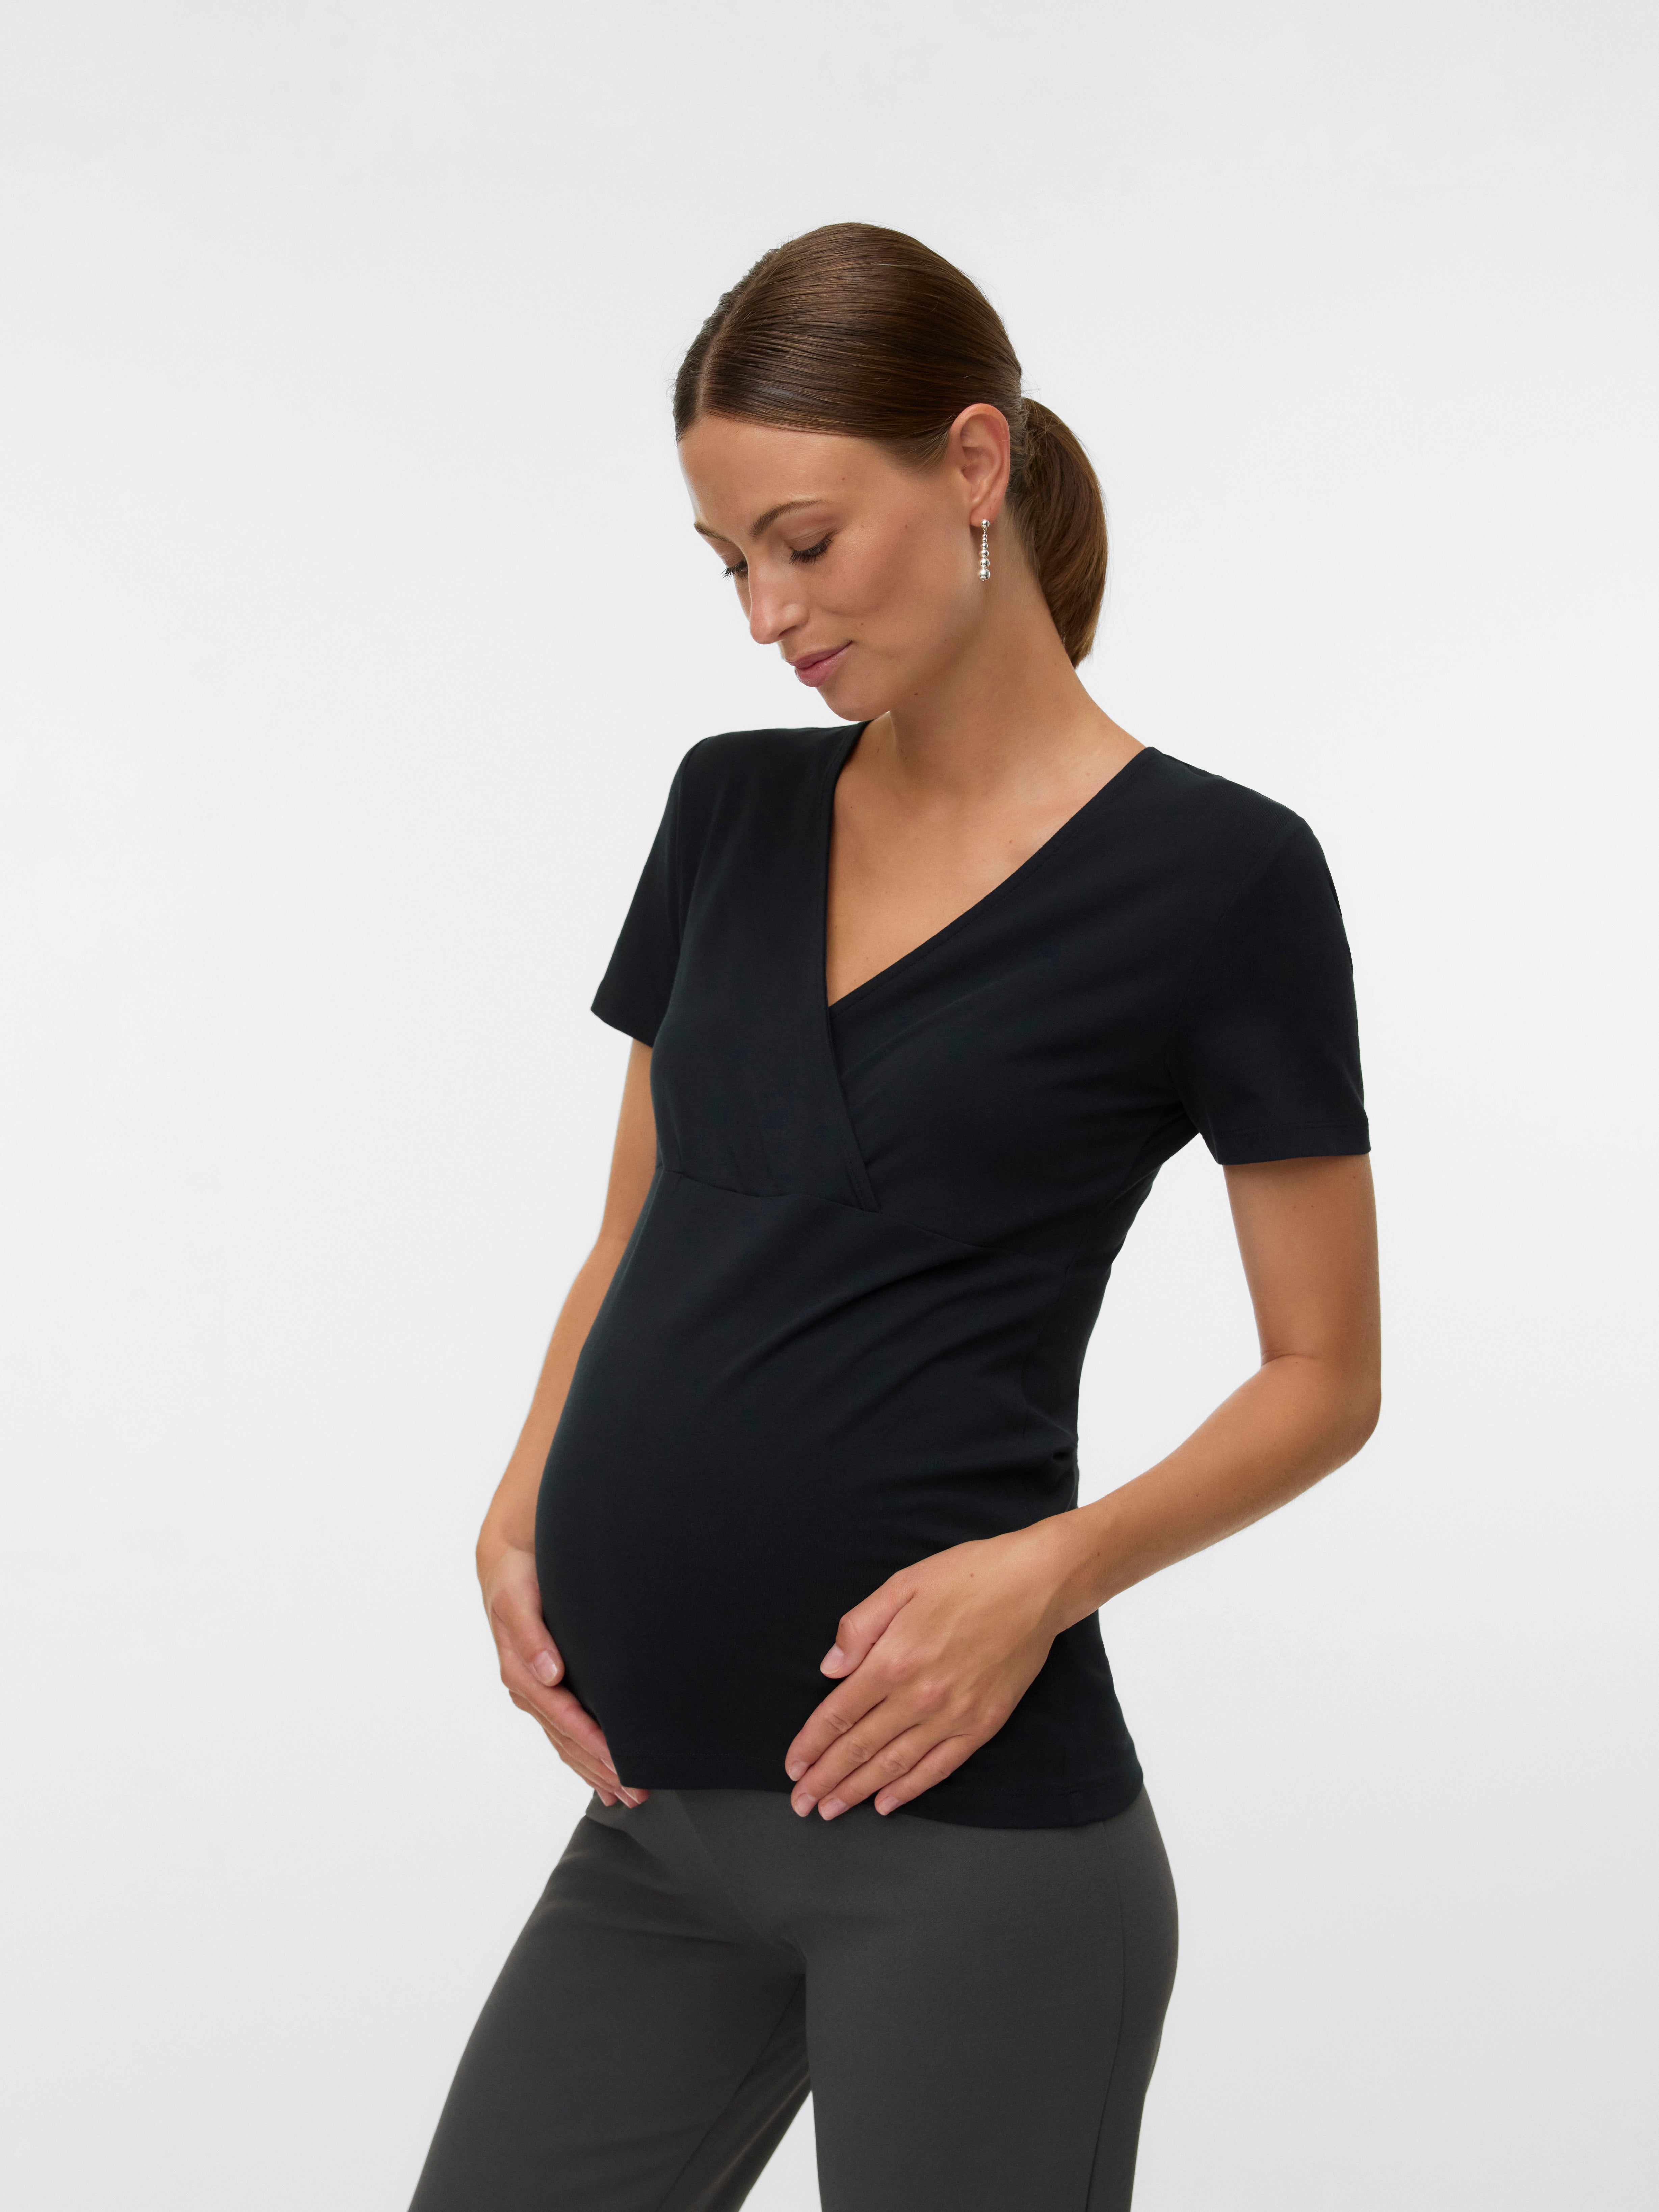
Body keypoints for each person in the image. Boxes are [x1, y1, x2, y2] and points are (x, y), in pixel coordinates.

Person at [408, 221, 1380, 2212]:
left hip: (973, 1847)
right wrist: (519, 1506)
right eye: (728, 564)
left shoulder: (1222, 878)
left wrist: (1047, 1576)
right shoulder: (728, 811)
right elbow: (639, 1225)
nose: (766, 614)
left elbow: (1324, 1374)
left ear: (972, 464)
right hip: (661, 1818)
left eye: (802, 541)